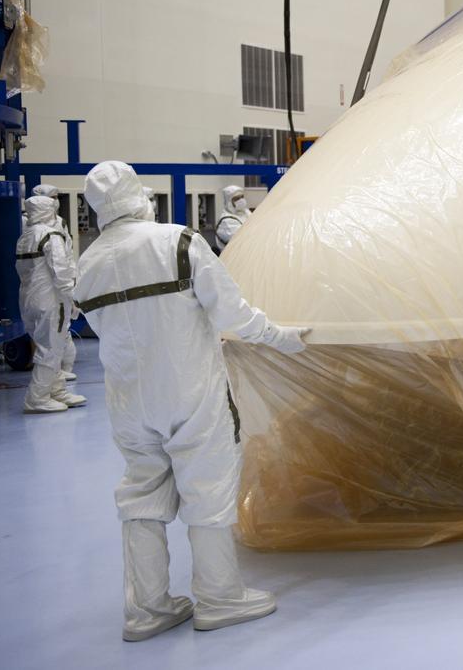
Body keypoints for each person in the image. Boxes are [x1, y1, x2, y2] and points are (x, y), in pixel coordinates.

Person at [74, 161, 310, 641]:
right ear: (140, 193)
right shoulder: (177, 242)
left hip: (128, 400)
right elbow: (232, 312)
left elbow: (105, 330)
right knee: (207, 486)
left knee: (141, 495)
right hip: (191, 389)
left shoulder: (88, 264)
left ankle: (147, 610)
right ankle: (220, 598)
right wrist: (282, 337)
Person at [16, 196, 87, 412]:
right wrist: (74, 298)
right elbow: (61, 271)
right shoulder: (51, 235)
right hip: (51, 299)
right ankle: (37, 397)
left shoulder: (26, 235)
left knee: (48, 344)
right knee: (52, 347)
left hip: (29, 299)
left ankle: (55, 390)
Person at [31, 183, 81, 383]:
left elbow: (66, 257)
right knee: (52, 338)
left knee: (56, 335)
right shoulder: (42, 231)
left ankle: (58, 381)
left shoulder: (57, 224)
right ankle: (44, 391)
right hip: (49, 290)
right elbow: (58, 266)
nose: (56, 201)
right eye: (52, 197)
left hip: (46, 290)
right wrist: (71, 292)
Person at [214, 185, 251, 251]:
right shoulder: (226, 221)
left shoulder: (245, 213)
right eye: (237, 199)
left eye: (242, 197)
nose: (241, 200)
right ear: (230, 202)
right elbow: (244, 240)